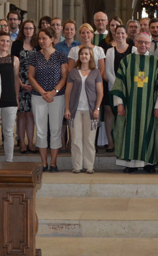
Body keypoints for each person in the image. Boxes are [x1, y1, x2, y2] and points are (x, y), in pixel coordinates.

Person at [111, 32, 158, 173]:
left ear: (149, 45)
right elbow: (119, 83)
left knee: (149, 132)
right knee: (129, 132)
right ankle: (131, 164)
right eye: (140, 42)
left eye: (146, 43)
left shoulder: (155, 62)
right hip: (130, 106)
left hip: (149, 107)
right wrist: (119, 104)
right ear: (135, 43)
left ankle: (149, 163)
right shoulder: (126, 61)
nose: (143, 45)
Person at [28, 28, 68, 170]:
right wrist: (43, 92)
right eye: (39, 39)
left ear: (52, 39)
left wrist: (53, 92)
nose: (41, 41)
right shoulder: (34, 56)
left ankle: (53, 163)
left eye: (44, 38)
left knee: (56, 129)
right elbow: (31, 77)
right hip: (39, 97)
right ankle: (44, 162)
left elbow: (64, 76)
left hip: (57, 97)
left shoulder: (60, 56)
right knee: (41, 130)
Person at [64, 46, 104, 173]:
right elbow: (68, 92)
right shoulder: (73, 72)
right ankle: (77, 166)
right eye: (82, 54)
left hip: (91, 111)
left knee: (89, 139)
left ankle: (89, 166)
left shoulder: (96, 72)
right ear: (79, 56)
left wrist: (97, 108)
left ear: (90, 56)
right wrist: (67, 109)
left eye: (86, 54)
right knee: (76, 139)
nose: (84, 56)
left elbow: (100, 93)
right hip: (75, 110)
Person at [0, 33, 20, 161]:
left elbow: (16, 79)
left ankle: (9, 161)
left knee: (8, 132)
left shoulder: (15, 59)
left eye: (7, 41)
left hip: (9, 98)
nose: (5, 43)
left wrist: (16, 97)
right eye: (2, 41)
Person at [105, 25, 136, 154]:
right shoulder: (110, 51)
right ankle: (111, 142)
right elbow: (108, 71)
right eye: (118, 33)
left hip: (130, 89)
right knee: (113, 115)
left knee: (127, 116)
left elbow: (135, 69)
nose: (120, 35)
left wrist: (127, 85)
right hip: (114, 88)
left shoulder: (133, 50)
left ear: (126, 35)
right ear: (115, 35)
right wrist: (118, 86)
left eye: (123, 33)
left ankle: (126, 142)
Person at [17, 21, 38, 154]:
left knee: (31, 115)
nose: (28, 30)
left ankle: (31, 142)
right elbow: (13, 65)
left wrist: (33, 83)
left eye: (30, 28)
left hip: (34, 82)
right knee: (22, 114)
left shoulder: (37, 45)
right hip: (19, 81)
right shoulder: (17, 44)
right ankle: (22, 143)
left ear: (34, 30)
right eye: (26, 28)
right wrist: (20, 83)